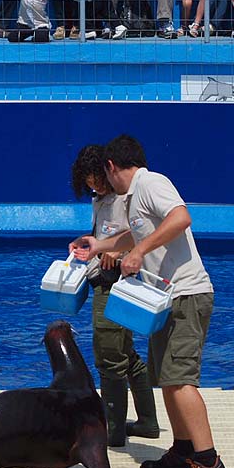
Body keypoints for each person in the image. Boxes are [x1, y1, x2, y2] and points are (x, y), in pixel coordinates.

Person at [73, 134, 225, 468]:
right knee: (166, 378)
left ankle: (208, 463)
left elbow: (180, 217)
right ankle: (183, 450)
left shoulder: (150, 182)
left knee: (180, 380)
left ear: (111, 167)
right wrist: (100, 246)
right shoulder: (133, 198)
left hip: (188, 294)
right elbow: (135, 233)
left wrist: (140, 251)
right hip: (167, 298)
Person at [69, 144, 160, 447]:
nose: (93, 185)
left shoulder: (126, 197)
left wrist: (117, 252)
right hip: (107, 279)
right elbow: (107, 233)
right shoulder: (101, 198)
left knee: (109, 356)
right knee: (126, 354)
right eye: (88, 181)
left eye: (96, 178)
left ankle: (113, 430)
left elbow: (137, 232)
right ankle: (147, 420)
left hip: (117, 283)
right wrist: (89, 243)